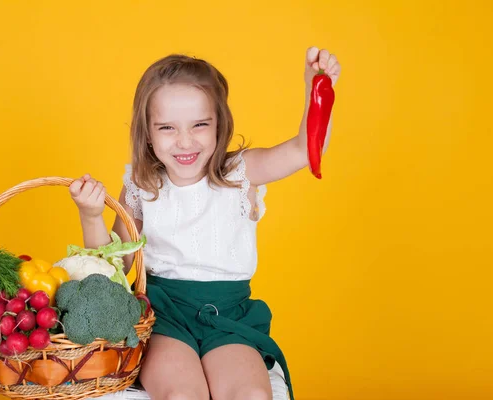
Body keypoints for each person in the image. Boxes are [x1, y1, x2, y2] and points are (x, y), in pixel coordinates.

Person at [69, 47, 341, 400]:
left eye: (200, 125)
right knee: (182, 394)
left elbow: (304, 150)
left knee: (253, 395)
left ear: (219, 125)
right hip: (163, 316)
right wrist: (90, 214)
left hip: (229, 318)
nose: (185, 141)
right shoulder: (142, 183)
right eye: (167, 127)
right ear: (147, 133)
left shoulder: (240, 173)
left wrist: (316, 87)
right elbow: (113, 269)